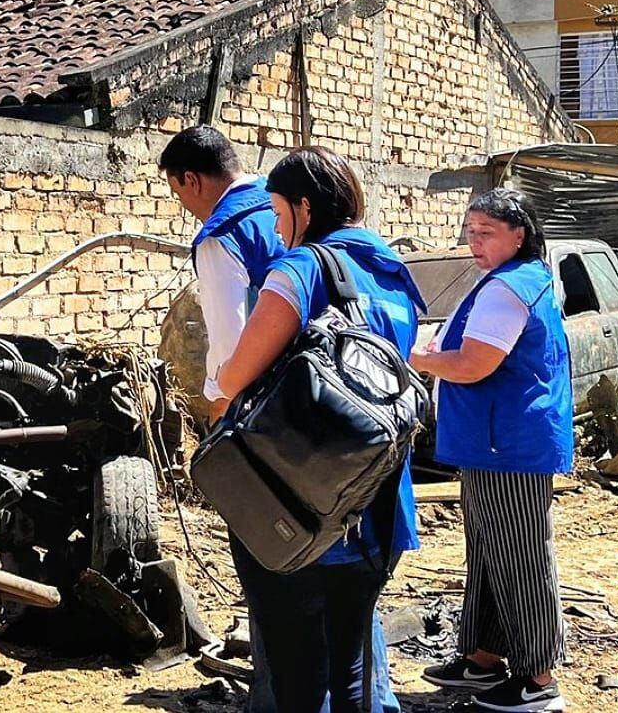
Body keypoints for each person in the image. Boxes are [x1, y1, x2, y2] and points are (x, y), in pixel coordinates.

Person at [212, 146, 424, 713]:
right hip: (375, 502)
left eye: (279, 214)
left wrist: (221, 379)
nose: (277, 230)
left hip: (298, 501)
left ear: (304, 208)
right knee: (351, 664)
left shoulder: (299, 270)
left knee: (297, 670)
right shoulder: (393, 270)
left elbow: (237, 374)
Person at [411, 189, 571, 713]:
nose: (473, 241)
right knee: (488, 551)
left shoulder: (508, 288)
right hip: (495, 441)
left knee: (520, 556)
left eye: (486, 233)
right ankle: (483, 658)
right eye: (471, 231)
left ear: (518, 234)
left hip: (508, 444)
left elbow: (475, 364)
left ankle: (538, 677)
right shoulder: (515, 279)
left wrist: (420, 359)